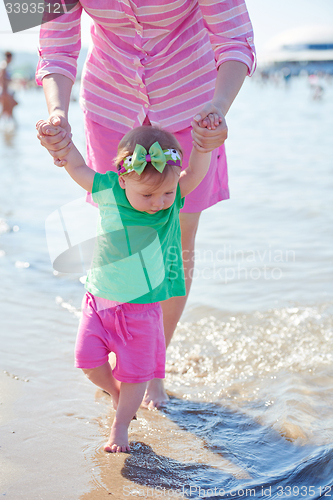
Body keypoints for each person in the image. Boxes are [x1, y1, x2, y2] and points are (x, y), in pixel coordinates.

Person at [36, 0, 256, 408]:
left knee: (176, 241)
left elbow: (235, 39)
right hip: (110, 103)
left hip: (192, 107)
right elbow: (56, 46)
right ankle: (122, 352)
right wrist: (56, 111)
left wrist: (219, 108)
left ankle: (153, 364)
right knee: (120, 238)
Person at [36, 119, 215, 452]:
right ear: (123, 180)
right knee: (87, 361)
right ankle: (118, 396)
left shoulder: (172, 198)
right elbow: (76, 165)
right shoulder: (108, 189)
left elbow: (196, 174)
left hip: (143, 309)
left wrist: (204, 146)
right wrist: (58, 143)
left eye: (166, 192)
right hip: (99, 299)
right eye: (148, 194)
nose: (159, 202)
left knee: (136, 373)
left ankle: (120, 428)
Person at [0, 51, 18, 119]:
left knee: (7, 108)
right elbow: (1, 78)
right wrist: (4, 91)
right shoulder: (4, 65)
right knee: (8, 107)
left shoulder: (5, 65)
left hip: (5, 90)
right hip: (4, 90)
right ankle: (12, 125)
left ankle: (11, 125)